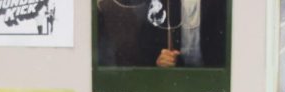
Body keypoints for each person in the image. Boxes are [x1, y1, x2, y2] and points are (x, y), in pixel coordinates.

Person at [95, 0, 227, 69]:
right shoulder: (159, 4)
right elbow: (145, 48)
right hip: (173, 80)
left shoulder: (222, 4)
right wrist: (158, 61)